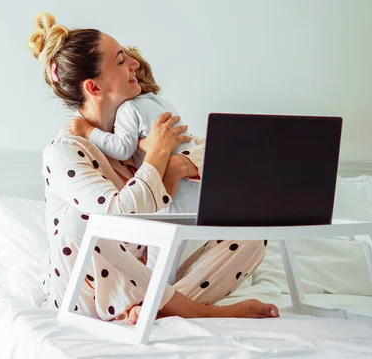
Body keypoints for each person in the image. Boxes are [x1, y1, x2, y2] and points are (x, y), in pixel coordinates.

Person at [28, 12, 278, 324]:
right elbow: (119, 214)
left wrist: (173, 162)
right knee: (82, 226)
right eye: (120, 61)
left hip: (148, 276)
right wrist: (161, 157)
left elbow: (213, 153)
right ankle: (201, 312)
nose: (134, 64)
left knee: (251, 236)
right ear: (93, 87)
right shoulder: (65, 150)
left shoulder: (139, 130)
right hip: (86, 290)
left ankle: (152, 311)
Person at [66, 46, 203, 214]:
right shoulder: (164, 104)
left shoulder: (129, 108)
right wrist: (143, 144)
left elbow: (122, 149)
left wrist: (88, 131)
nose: (133, 66)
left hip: (171, 199)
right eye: (121, 62)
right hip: (197, 192)